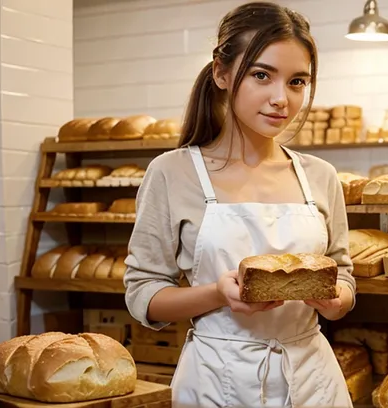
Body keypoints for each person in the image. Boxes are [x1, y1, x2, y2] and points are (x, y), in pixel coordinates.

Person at [122, 2, 356, 407]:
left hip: (313, 380)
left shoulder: (320, 175)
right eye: (262, 75)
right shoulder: (172, 173)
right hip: (216, 379)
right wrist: (217, 293)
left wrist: (338, 301)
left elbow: (345, 274)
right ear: (222, 73)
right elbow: (143, 295)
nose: (281, 98)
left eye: (298, 82)